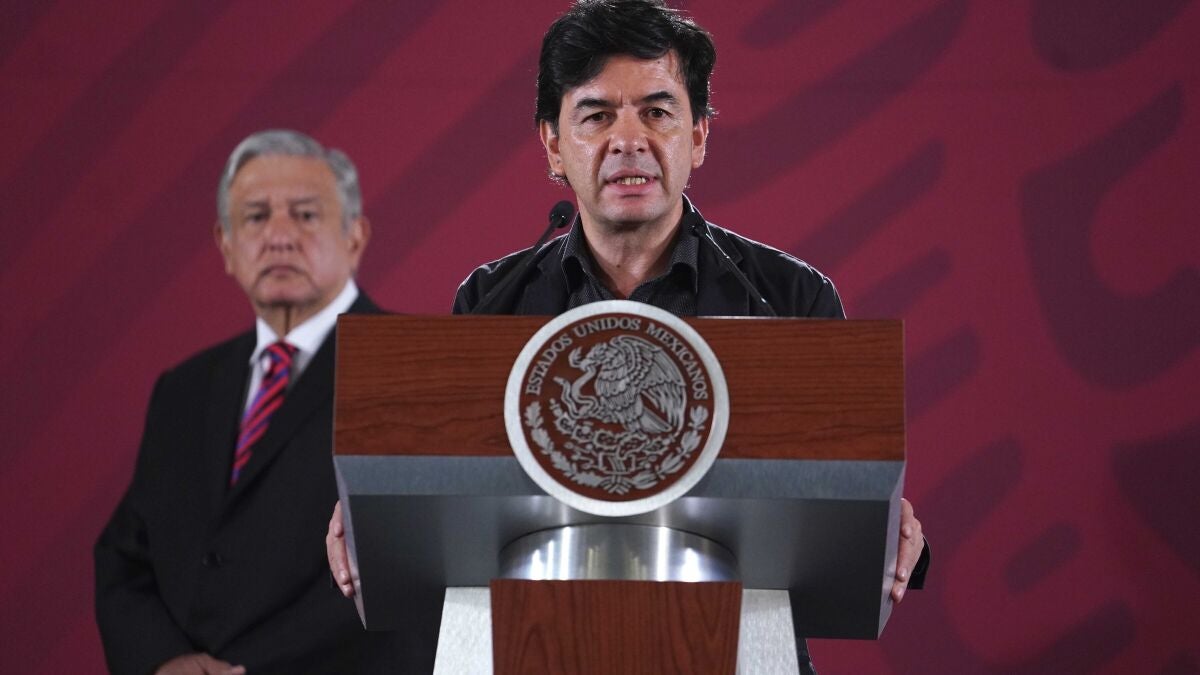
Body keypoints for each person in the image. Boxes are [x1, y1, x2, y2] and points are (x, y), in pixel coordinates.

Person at [328, 1, 928, 671]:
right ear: (553, 145)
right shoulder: (494, 302)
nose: (628, 139)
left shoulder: (788, 299)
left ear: (698, 135)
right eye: (596, 116)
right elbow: (453, 486)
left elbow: (838, 493)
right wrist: (375, 507)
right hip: (534, 644)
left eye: (657, 112)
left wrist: (883, 522)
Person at [96, 130, 401, 674]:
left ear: (355, 236)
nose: (279, 236)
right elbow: (126, 559)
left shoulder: (410, 367)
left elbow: (412, 565)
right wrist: (165, 660)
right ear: (226, 245)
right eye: (256, 217)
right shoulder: (184, 388)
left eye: (305, 215)